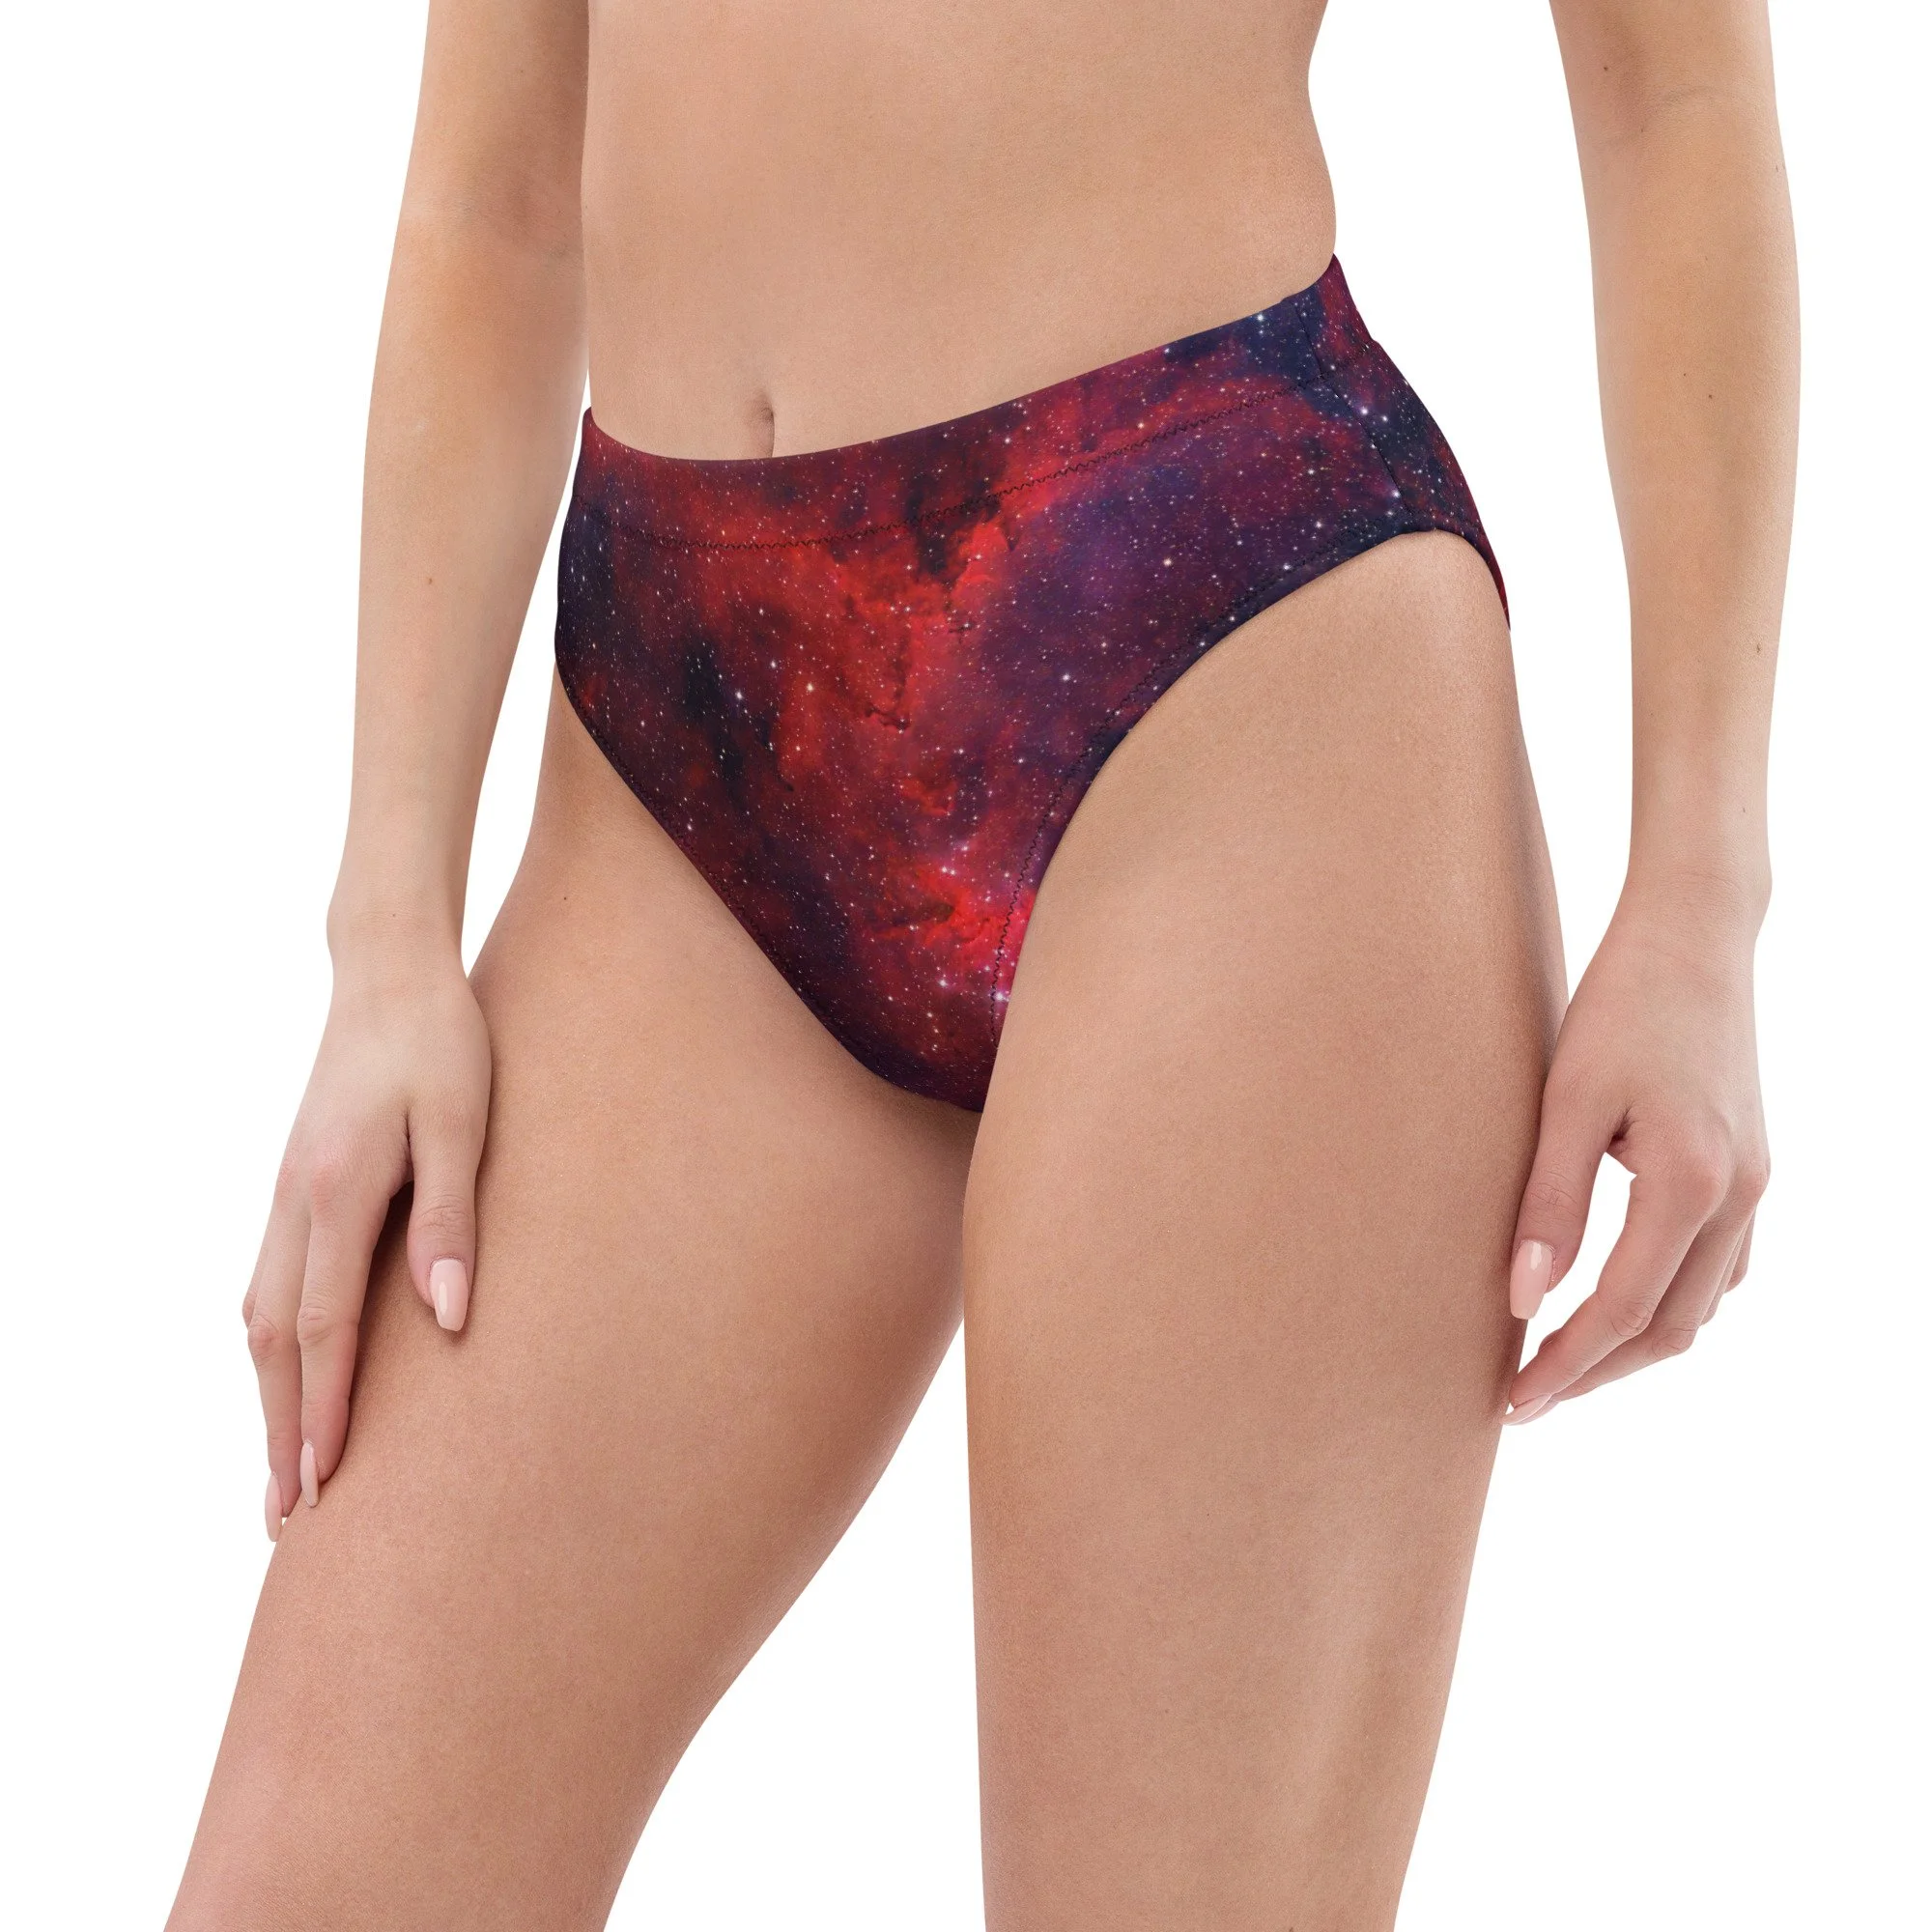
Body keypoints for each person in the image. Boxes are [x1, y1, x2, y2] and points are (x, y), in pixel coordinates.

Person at [168, 0, 1795, 1923]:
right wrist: (387, 935)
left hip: (1228, 655)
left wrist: (1700, 898)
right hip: (681, 748)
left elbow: (1678, 98)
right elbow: (495, 198)